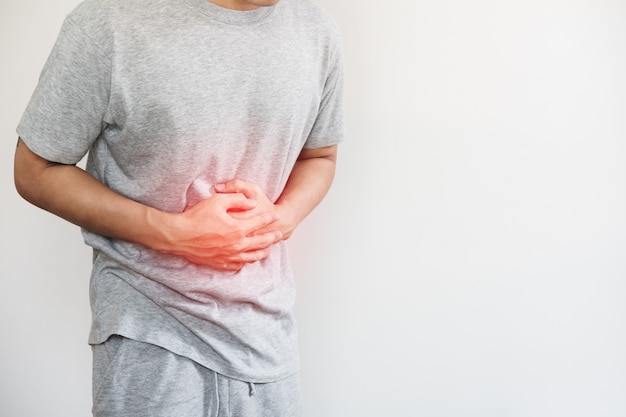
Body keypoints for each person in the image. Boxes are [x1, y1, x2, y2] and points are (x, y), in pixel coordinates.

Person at [13, 0, 344, 415]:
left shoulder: (318, 32)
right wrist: (173, 233)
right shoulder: (107, 22)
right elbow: (35, 169)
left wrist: (282, 219)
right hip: (150, 333)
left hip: (267, 341)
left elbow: (320, 157)